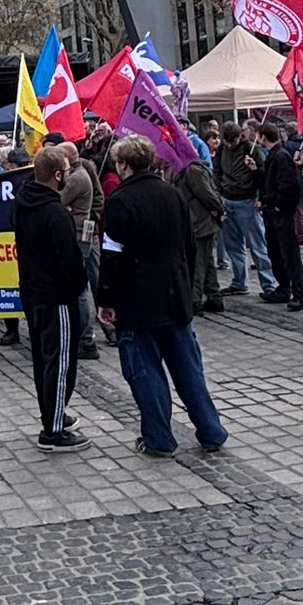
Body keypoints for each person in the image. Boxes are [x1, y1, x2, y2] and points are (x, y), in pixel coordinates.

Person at [97, 135, 228, 457]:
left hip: (137, 299)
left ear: (124, 165)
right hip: (175, 294)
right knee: (188, 369)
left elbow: (111, 254)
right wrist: (186, 285)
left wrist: (106, 298)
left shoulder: (120, 201)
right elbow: (189, 246)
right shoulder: (172, 194)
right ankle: (211, 430)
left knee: (145, 372)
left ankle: (159, 439)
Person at [11, 145, 90, 451]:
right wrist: (79, 282)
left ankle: (54, 413)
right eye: (66, 173)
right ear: (57, 175)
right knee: (58, 362)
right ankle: (53, 430)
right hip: (55, 295)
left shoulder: (22, 203)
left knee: (44, 358)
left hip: (32, 292)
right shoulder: (55, 212)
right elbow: (69, 261)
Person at [212, 125, 276, 297]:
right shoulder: (221, 150)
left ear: (240, 137)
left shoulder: (251, 148)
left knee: (257, 245)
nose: (230, 144)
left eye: (233, 141)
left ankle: (269, 283)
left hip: (247, 200)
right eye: (227, 141)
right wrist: (219, 188)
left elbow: (262, 175)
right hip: (227, 200)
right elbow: (216, 170)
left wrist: (259, 196)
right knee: (233, 246)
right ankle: (240, 281)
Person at [256, 124, 303, 310]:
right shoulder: (272, 156)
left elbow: (288, 187)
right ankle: (283, 288)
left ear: (263, 136)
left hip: (281, 212)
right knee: (275, 252)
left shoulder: (281, 156)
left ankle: (298, 293)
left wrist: (277, 204)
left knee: (289, 254)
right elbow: (269, 182)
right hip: (272, 211)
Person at [58, 143, 98, 357]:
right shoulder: (78, 173)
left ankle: (85, 338)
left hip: (78, 233)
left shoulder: (77, 177)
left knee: (79, 289)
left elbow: (58, 199)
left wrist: (66, 208)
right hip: (79, 230)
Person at [174, 147, 225, 315]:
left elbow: (207, 195)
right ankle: (214, 295)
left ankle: (194, 300)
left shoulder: (192, 170)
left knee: (198, 262)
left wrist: (219, 208)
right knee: (207, 260)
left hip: (200, 221)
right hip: (201, 221)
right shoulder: (190, 169)